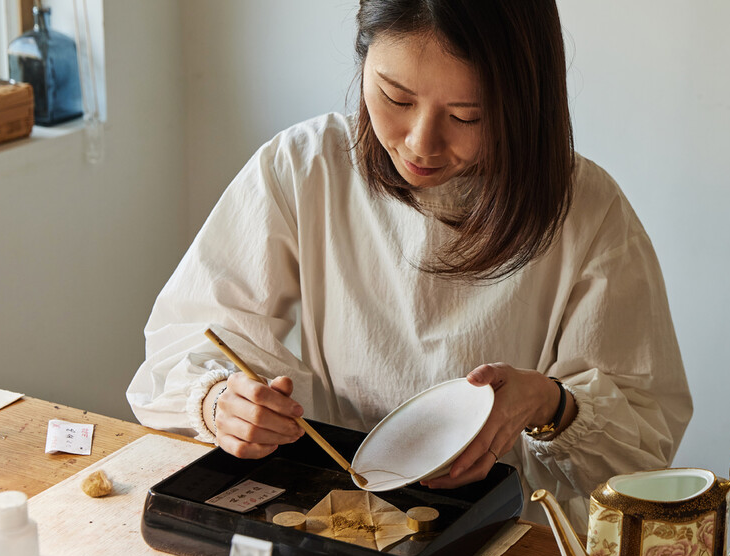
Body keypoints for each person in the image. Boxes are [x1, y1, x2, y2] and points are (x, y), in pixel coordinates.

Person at [127, 0, 691, 529]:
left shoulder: (586, 211)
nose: (422, 143)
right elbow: (193, 332)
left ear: (526, 103)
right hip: (338, 520)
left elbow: (642, 442)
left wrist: (551, 403)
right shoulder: (308, 167)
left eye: (467, 116)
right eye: (396, 99)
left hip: (503, 538)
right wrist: (222, 400)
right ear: (363, 58)